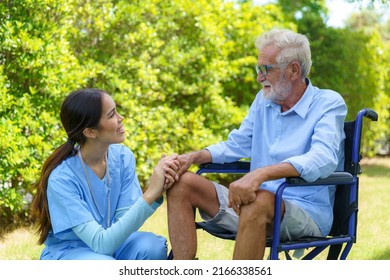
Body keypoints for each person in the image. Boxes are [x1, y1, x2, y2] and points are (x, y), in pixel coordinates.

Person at [166, 28, 348, 259]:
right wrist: (193, 157)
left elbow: (323, 158)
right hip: (254, 203)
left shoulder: (328, 103)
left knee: (258, 200)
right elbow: (236, 144)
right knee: (181, 183)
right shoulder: (263, 101)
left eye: (266, 69)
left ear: (293, 70)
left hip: (305, 210)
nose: (259, 77)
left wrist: (261, 174)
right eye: (258, 69)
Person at [31, 88, 180, 260]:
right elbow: (101, 243)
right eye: (111, 115)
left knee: (152, 247)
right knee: (105, 265)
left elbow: (124, 222)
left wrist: (159, 187)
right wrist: (150, 194)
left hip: (111, 244)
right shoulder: (61, 179)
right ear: (90, 132)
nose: (120, 118)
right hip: (72, 252)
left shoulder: (123, 157)